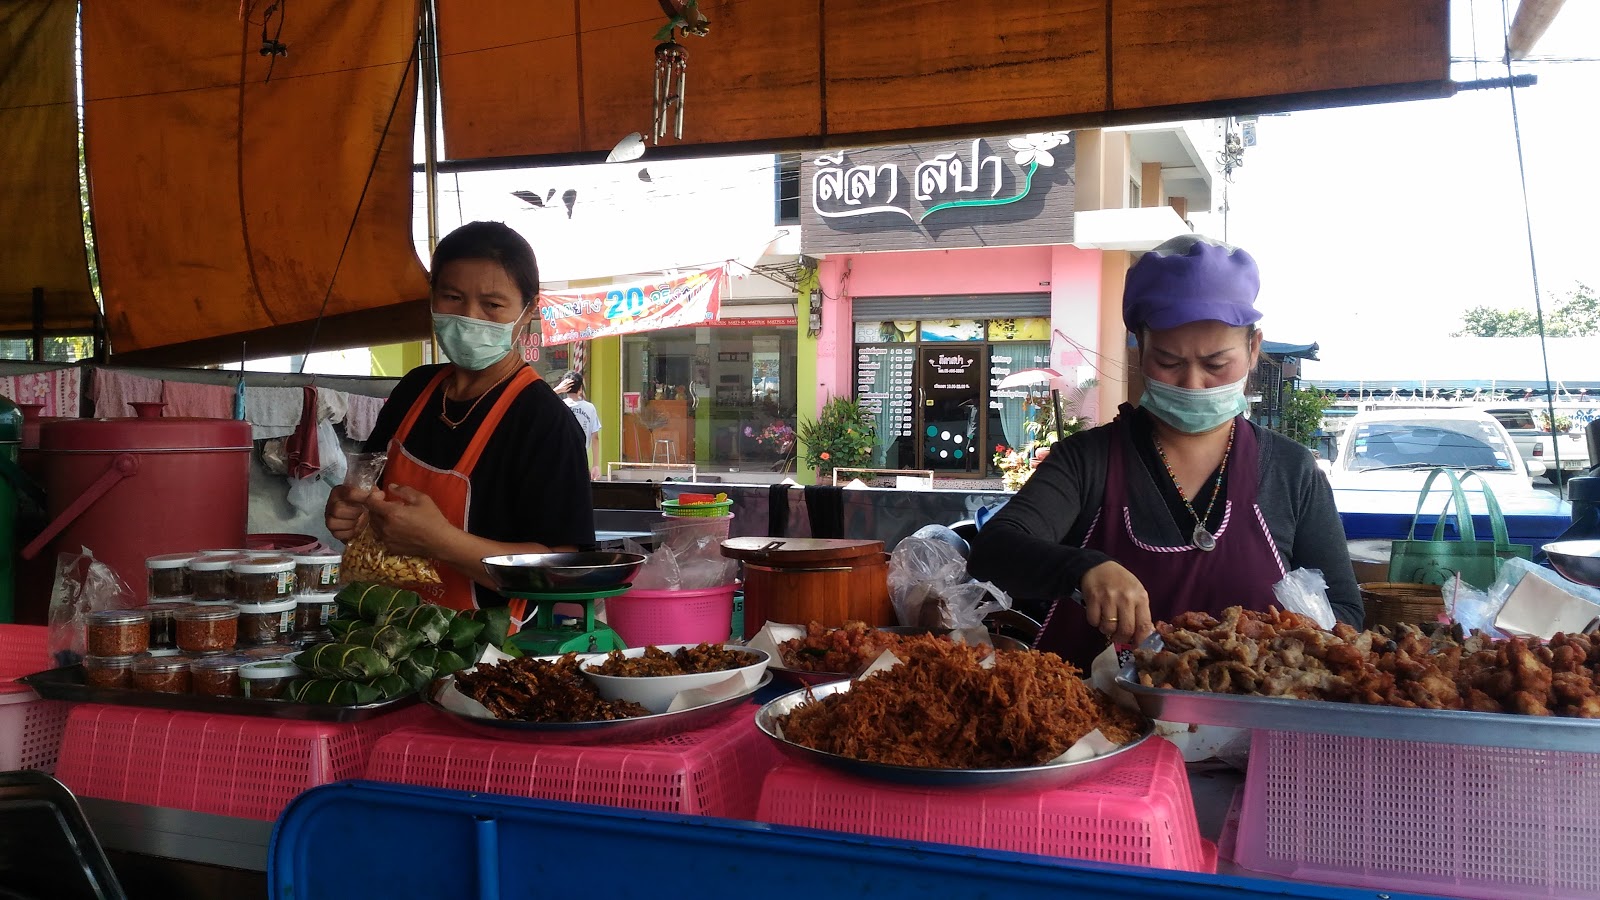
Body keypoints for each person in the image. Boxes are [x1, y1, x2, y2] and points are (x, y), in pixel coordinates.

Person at [967, 235, 1360, 669]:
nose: (1192, 383)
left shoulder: (1291, 472)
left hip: (1250, 731)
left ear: (1253, 348)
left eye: (1215, 364)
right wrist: (1083, 568)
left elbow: (1345, 614)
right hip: (1096, 729)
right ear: (1139, 348)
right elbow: (996, 549)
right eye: (1169, 362)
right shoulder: (1086, 461)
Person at [324, 221, 595, 622]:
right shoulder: (414, 390)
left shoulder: (544, 421)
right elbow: (369, 493)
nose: (469, 317)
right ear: (432, 298)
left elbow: (561, 571)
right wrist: (354, 514)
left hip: (489, 655)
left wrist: (442, 542)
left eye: (492, 305)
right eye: (452, 297)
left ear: (528, 311)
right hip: (382, 636)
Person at [555, 369, 602, 479]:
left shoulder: (558, 406)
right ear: (580, 389)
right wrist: (595, 464)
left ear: (565, 388)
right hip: (581, 458)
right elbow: (595, 438)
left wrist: (557, 390)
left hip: (559, 457)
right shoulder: (590, 408)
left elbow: (541, 402)